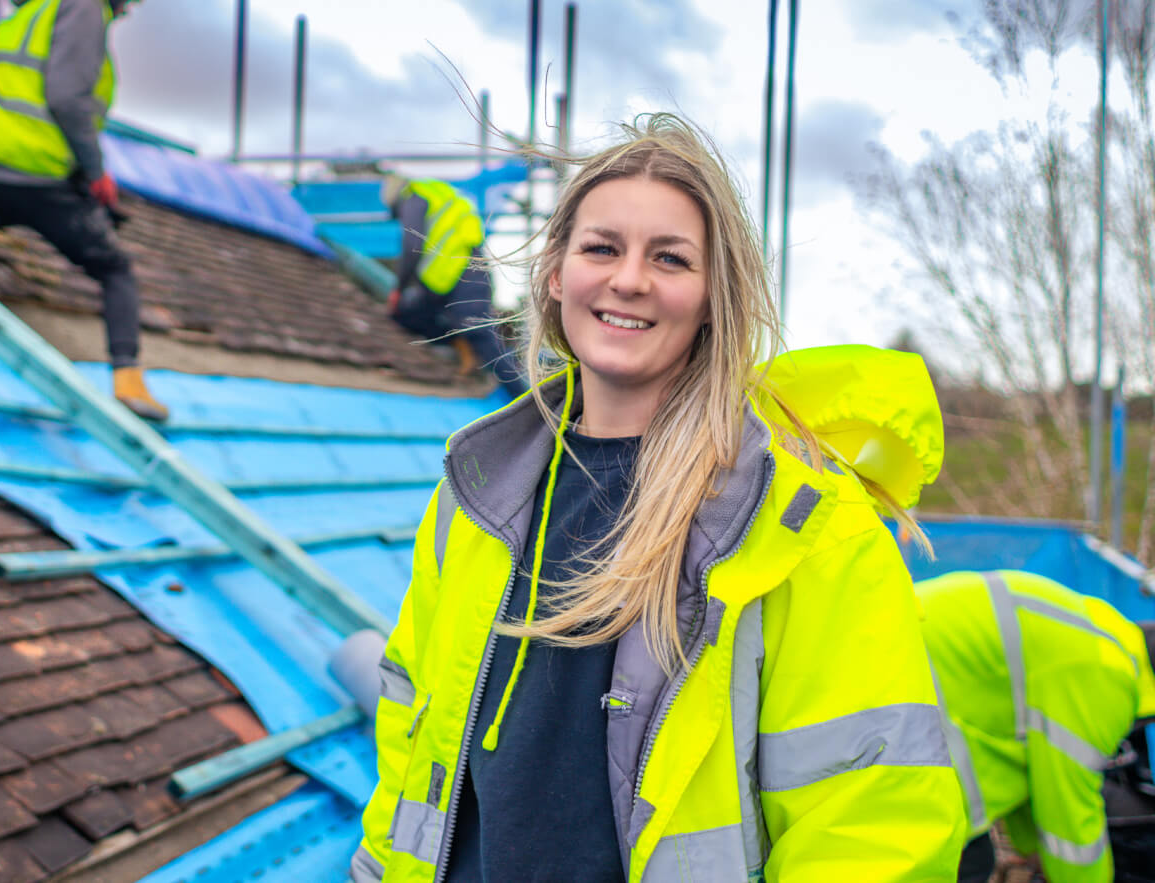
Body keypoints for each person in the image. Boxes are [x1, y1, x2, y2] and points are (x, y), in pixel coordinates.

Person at [350, 113, 964, 882]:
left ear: (714, 297)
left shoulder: (805, 524)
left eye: (669, 258)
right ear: (554, 272)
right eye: (601, 247)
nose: (628, 278)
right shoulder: (474, 492)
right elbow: (411, 711)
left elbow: (873, 823)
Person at [0, 0, 168, 421]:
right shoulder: (86, 9)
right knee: (115, 269)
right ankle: (129, 380)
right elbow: (68, 98)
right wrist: (93, 173)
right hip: (29, 168)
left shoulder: (33, 11)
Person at [917, 569, 1155, 883]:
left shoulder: (1105, 635)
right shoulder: (1105, 678)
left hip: (900, 681)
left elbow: (1034, 767)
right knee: (960, 863)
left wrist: (1032, 847)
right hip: (904, 704)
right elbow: (1068, 812)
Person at [380, 175, 526, 401]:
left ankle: (526, 400)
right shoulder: (437, 194)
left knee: (480, 334)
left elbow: (412, 247)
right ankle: (459, 341)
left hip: (464, 270)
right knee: (407, 315)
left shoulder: (413, 197)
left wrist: (398, 288)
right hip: (445, 276)